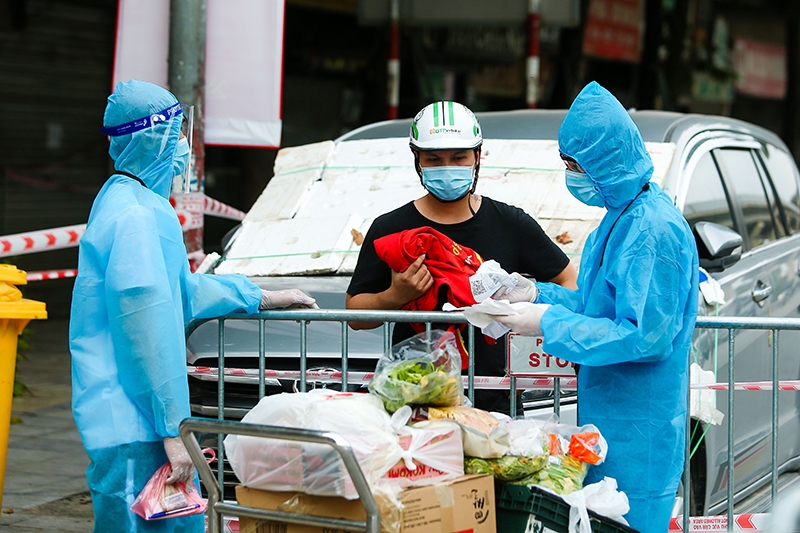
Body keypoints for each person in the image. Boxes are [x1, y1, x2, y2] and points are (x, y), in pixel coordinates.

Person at [69, 80, 316, 533]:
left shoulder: (129, 199)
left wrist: (255, 296)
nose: (185, 145)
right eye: (179, 132)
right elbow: (145, 329)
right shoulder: (136, 217)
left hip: (126, 414)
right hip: (136, 422)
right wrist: (172, 430)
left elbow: (177, 292)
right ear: (154, 137)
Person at [495, 82, 699, 533]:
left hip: (639, 426)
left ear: (606, 160)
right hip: (610, 417)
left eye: (575, 165)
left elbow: (643, 336)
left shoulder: (652, 230)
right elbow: (595, 306)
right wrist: (532, 295)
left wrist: (547, 321)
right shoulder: (622, 217)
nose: (571, 175)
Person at [346, 100, 577, 414]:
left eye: (458, 158)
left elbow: (568, 280)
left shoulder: (510, 224)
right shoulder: (390, 229)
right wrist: (395, 296)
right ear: (417, 160)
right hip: (414, 403)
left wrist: (536, 308)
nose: (447, 167)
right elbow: (355, 315)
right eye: (434, 159)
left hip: (495, 403)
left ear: (477, 157)